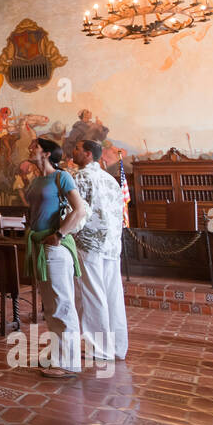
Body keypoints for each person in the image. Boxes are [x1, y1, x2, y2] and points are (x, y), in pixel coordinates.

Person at [24, 137, 88, 377]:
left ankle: (69, 362)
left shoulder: (62, 177)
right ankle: (59, 353)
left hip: (55, 246)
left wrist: (59, 234)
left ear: (48, 153)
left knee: (62, 304)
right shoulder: (37, 180)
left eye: (35, 146)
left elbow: (79, 209)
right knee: (50, 305)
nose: (30, 149)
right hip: (40, 245)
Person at [70, 139, 128, 361]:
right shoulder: (110, 179)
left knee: (91, 295)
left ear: (87, 154)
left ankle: (100, 349)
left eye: (77, 149)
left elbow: (78, 212)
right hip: (112, 244)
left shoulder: (81, 177)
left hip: (89, 244)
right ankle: (117, 346)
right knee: (112, 294)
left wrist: (64, 234)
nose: (73, 151)